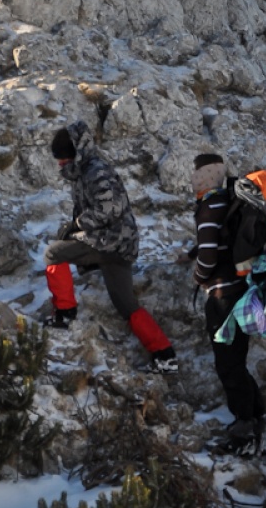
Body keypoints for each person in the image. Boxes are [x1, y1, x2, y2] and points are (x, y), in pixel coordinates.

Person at [43, 121, 177, 373]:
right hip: (119, 244)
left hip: (109, 241)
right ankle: (165, 355)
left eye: (63, 159)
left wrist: (77, 225)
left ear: (74, 153)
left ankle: (65, 313)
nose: (60, 164)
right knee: (126, 305)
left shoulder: (95, 172)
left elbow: (108, 209)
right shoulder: (85, 170)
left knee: (53, 254)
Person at [189, 151, 266, 454]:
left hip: (223, 297)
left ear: (201, 176)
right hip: (246, 292)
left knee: (228, 365)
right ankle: (263, 425)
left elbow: (208, 257)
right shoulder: (231, 199)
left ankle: (244, 432)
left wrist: (198, 276)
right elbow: (223, 242)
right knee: (237, 362)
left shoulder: (208, 206)